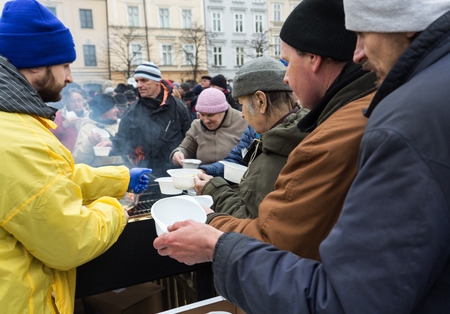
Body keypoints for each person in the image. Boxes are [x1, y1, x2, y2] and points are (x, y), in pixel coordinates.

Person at [154, 0, 450, 313]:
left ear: (313, 59)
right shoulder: (396, 103)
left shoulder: (366, 127)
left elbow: (280, 245)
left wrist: (211, 232)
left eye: (287, 63)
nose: (358, 52)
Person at [189, 0, 377, 261]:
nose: (286, 77)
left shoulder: (326, 138)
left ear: (314, 59)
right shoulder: (354, 111)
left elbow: (272, 240)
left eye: (288, 62)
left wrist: (210, 221)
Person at [0, 1, 152, 313]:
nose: (70, 77)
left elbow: (48, 182)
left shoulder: (15, 123)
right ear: (34, 66)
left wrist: (120, 177)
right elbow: (70, 240)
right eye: (65, 65)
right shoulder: (17, 138)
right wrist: (117, 207)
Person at [194, 57, 309, 219]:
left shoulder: (284, 149)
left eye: (242, 104)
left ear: (261, 101)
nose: (242, 114)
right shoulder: (287, 135)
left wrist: (214, 193)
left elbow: (252, 222)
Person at [112, 61, 192, 177]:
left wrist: (182, 154)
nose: (139, 85)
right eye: (137, 81)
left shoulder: (179, 108)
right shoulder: (132, 111)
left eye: (144, 80)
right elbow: (122, 140)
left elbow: (190, 141)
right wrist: (111, 144)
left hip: (173, 176)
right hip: (144, 177)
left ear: (157, 82)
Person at [171, 87, 248, 167]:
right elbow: (186, 149)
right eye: (202, 114)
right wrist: (178, 153)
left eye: (210, 115)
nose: (205, 120)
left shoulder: (243, 122)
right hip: (203, 176)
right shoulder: (197, 125)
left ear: (223, 111)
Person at [72, 94, 123, 166]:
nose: (117, 110)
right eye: (113, 107)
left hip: (124, 172)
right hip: (100, 174)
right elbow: (78, 161)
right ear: (103, 110)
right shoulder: (87, 129)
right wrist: (89, 142)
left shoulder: (121, 124)